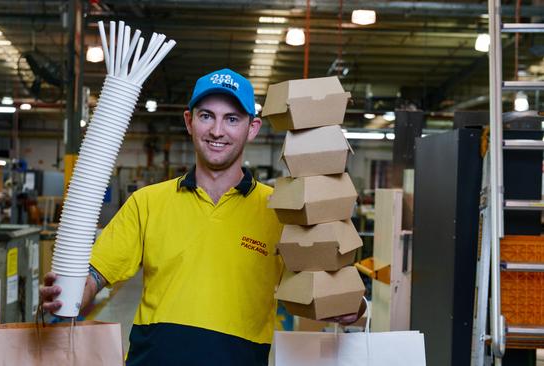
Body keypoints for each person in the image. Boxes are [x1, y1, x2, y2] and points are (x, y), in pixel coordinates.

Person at [40, 68, 363, 365]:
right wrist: (69, 296)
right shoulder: (148, 202)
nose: (217, 131)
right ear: (189, 121)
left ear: (252, 128)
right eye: (206, 116)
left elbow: (325, 283)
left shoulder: (281, 209)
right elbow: (96, 275)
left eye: (232, 119)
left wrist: (351, 307)